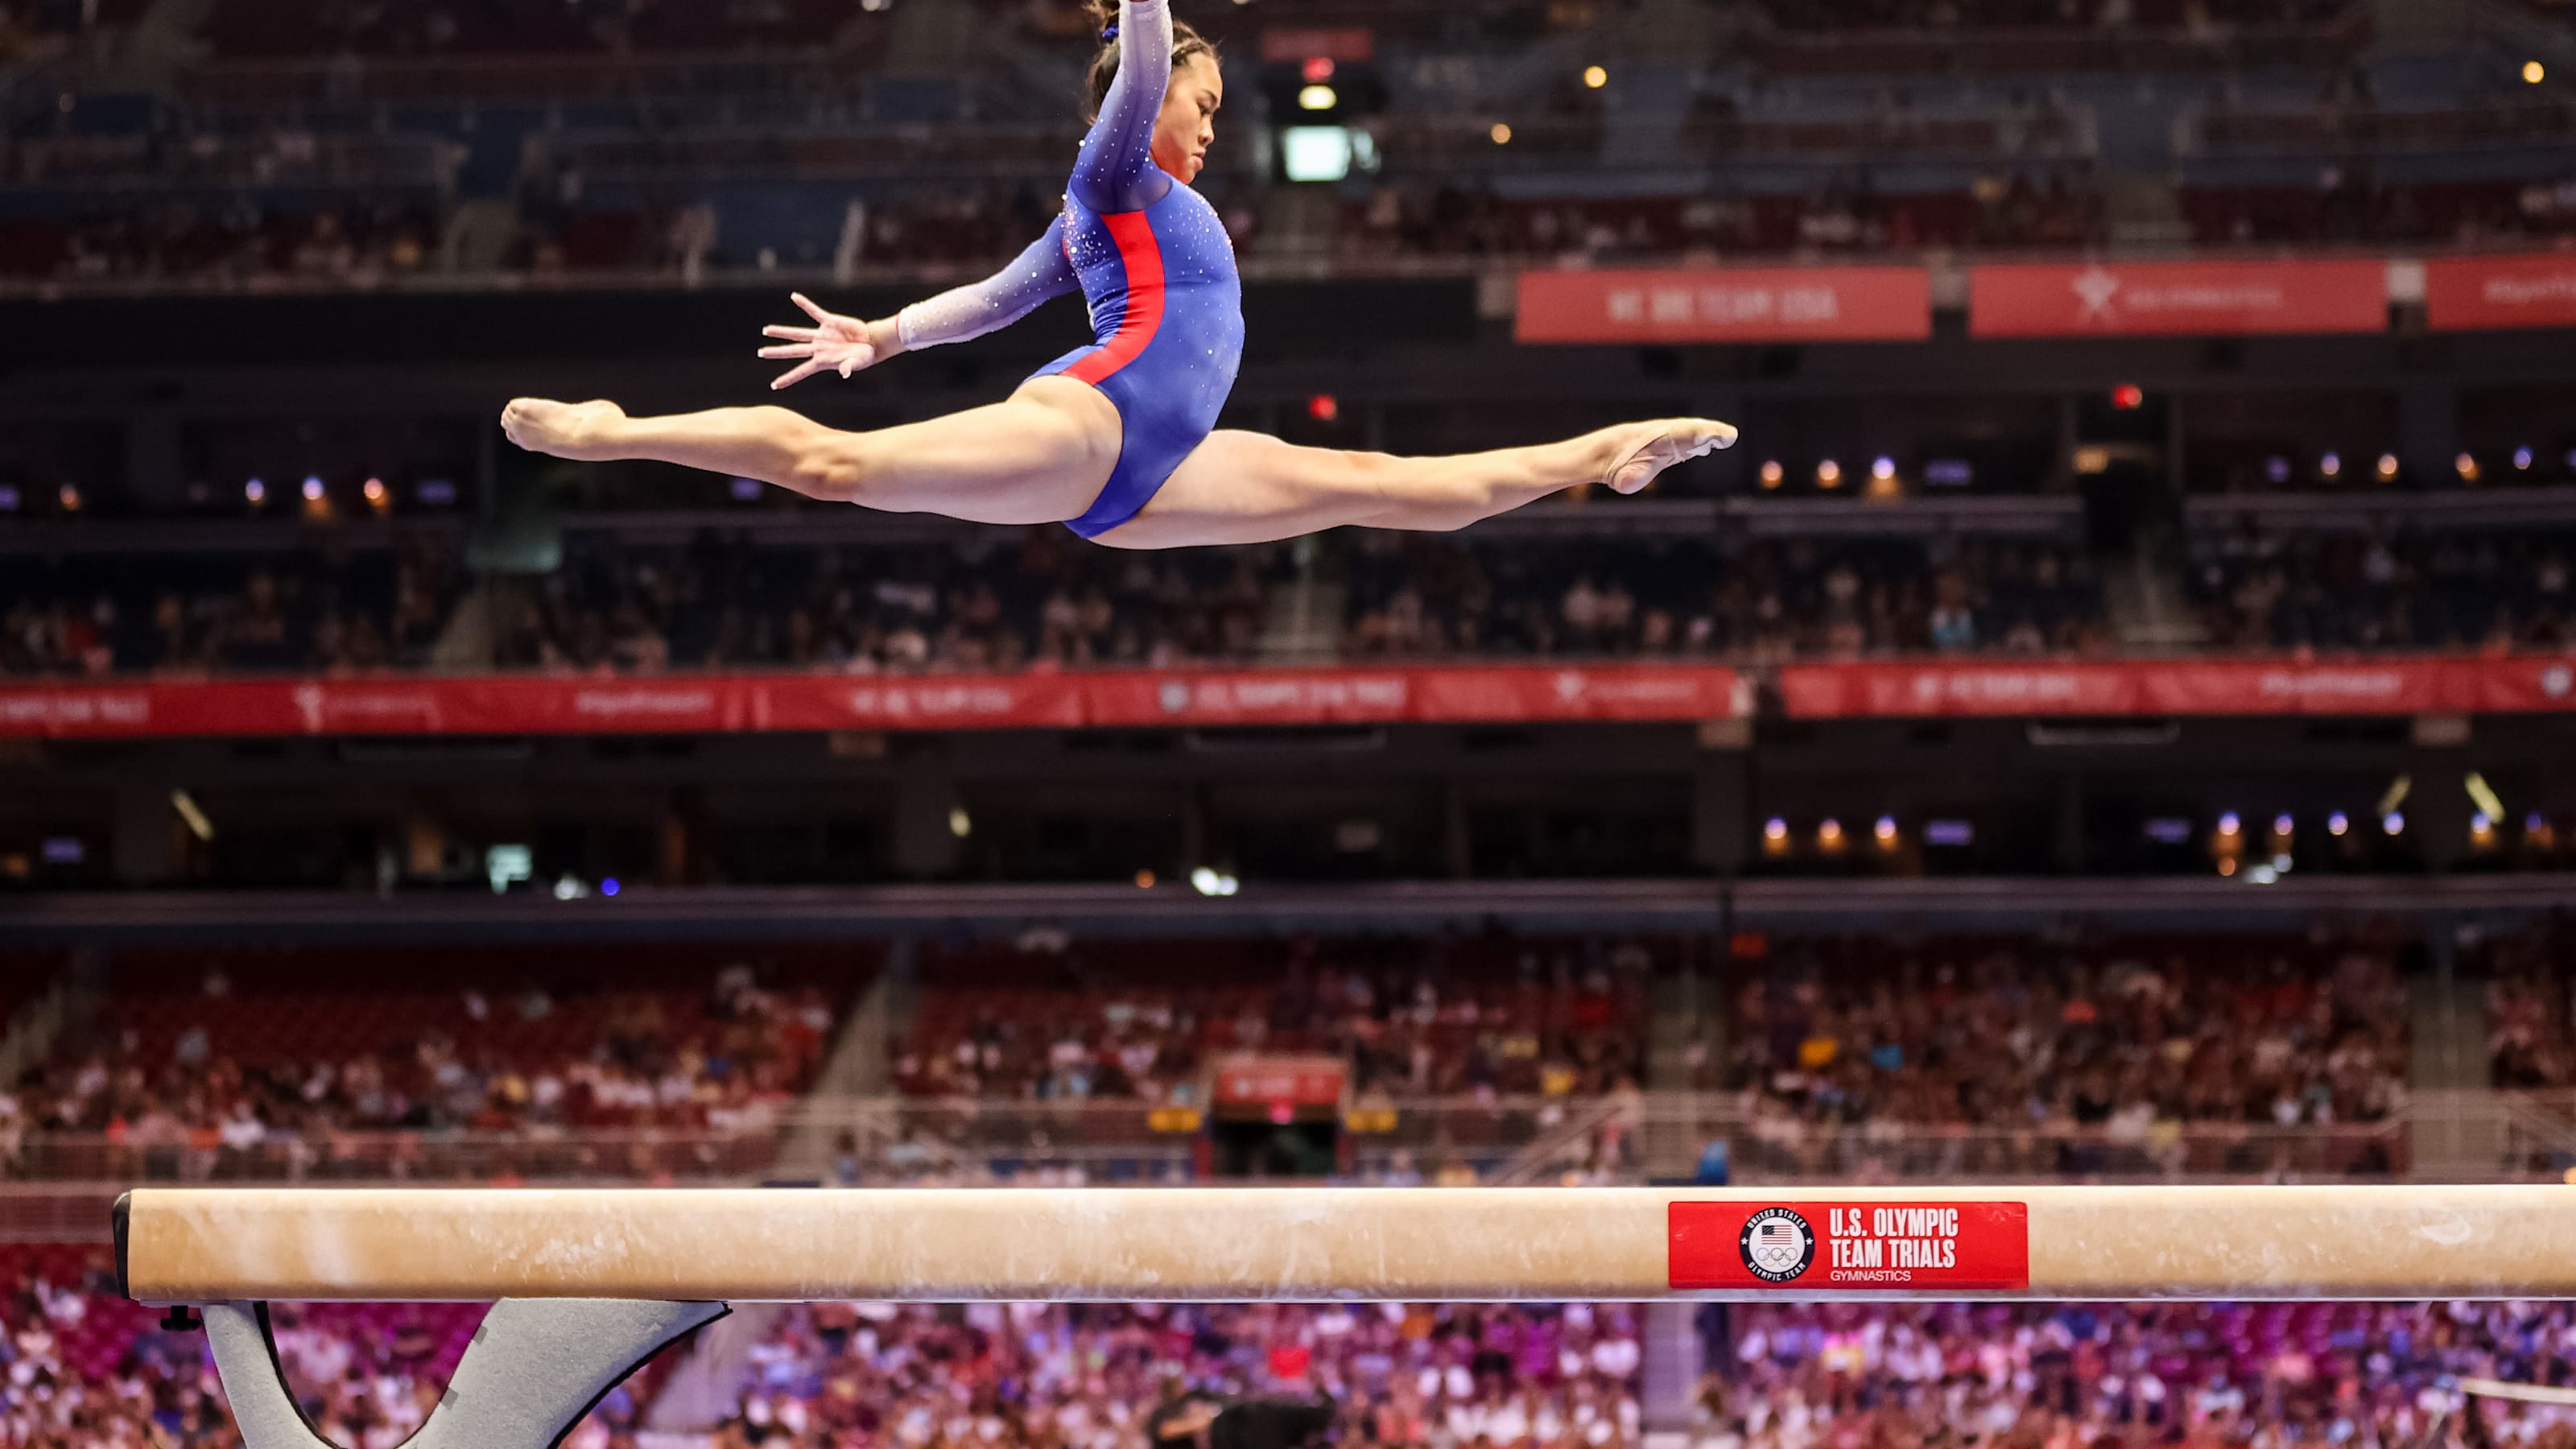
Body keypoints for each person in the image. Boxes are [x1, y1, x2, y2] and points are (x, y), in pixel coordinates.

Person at [500, 0, 1736, 548]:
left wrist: (880, 338)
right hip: (1092, 426)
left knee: (1390, 486)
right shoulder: (1115, 176)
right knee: (835, 466)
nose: (1209, 128)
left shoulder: (1104, 219)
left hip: (1164, 469)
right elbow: (1142, 67)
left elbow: (991, 299)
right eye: (1201, 105)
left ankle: (1606, 450)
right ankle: (612, 431)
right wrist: (1146, 14)